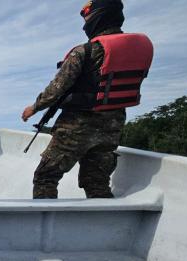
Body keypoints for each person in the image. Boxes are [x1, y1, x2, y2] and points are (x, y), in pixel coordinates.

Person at [22, 0, 153, 199]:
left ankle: (46, 217)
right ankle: (105, 218)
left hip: (76, 128)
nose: (85, 24)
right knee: (97, 183)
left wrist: (34, 108)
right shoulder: (137, 51)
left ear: (98, 17)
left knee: (46, 177)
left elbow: (57, 89)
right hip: (112, 127)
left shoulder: (85, 51)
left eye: (87, 18)